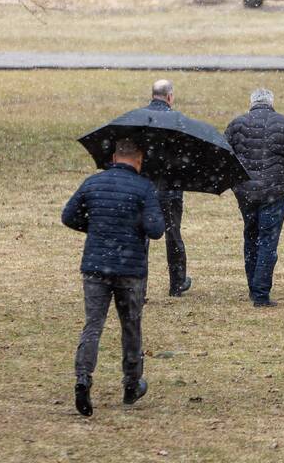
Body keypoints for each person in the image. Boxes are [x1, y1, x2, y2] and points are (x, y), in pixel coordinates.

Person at [62, 138, 164, 417]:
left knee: (93, 325)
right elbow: (156, 230)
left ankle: (83, 378)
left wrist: (97, 228)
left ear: (114, 156)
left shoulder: (93, 183)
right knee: (131, 326)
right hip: (130, 269)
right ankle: (131, 384)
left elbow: (68, 216)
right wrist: (139, 222)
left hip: (95, 266)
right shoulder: (144, 188)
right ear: (139, 159)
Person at [224, 88, 284, 307]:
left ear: (251, 103)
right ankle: (261, 293)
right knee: (268, 241)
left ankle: (254, 287)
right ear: (271, 103)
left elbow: (224, 155)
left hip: (246, 193)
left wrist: (235, 184)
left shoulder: (236, 124)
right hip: (275, 192)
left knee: (250, 236)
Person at [140, 79, 193, 297]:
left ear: (153, 95)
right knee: (173, 234)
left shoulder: (139, 119)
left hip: (143, 188)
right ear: (170, 96)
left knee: (141, 237)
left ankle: (139, 288)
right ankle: (177, 283)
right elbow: (185, 156)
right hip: (170, 188)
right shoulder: (178, 121)